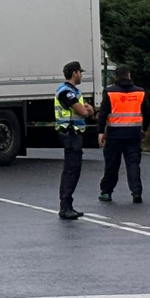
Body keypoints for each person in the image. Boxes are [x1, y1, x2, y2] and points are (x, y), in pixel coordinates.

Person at [97, 65, 150, 203]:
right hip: (134, 133)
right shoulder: (140, 92)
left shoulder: (109, 92)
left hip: (115, 134)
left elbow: (103, 114)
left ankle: (106, 192)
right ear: (129, 75)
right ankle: (136, 193)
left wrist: (101, 132)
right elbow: (147, 113)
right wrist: (145, 129)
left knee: (112, 164)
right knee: (133, 164)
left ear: (116, 77)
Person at [54, 61, 96, 219]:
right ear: (74, 73)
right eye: (80, 72)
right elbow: (83, 112)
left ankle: (68, 205)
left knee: (74, 170)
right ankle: (65, 206)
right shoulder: (66, 92)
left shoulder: (72, 91)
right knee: (71, 171)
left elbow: (85, 110)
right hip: (70, 134)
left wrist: (88, 109)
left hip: (74, 134)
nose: (81, 75)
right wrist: (89, 110)